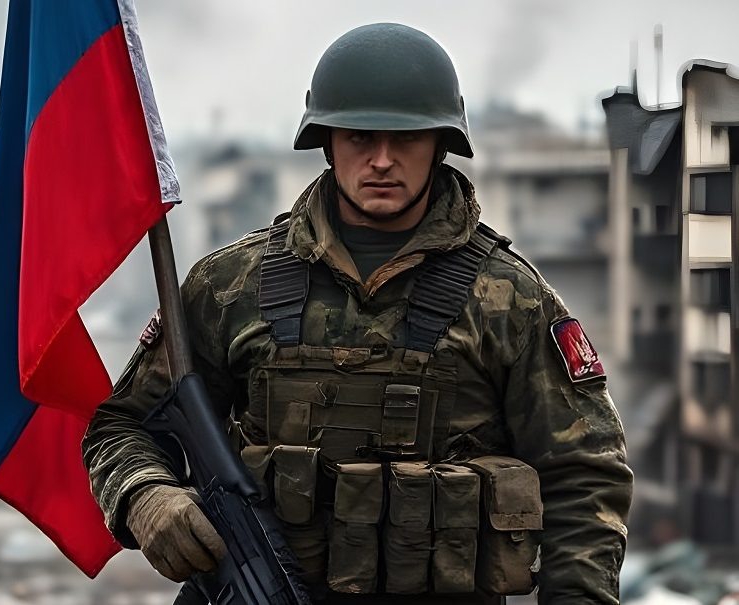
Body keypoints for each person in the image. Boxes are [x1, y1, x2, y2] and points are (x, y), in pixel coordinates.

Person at [82, 23, 633, 605]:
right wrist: (147, 496)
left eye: (406, 139)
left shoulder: (509, 299)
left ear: (440, 145)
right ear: (327, 142)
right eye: (360, 137)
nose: (382, 160)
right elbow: (123, 425)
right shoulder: (230, 286)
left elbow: (583, 477)